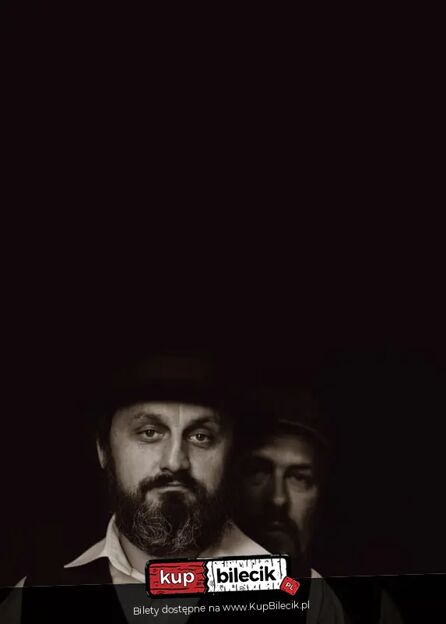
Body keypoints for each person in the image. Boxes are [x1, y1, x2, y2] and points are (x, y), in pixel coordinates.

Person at [1, 355, 269, 624]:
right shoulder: (28, 603)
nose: (175, 462)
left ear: (231, 455)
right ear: (103, 449)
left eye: (201, 436)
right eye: (149, 432)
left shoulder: (291, 595)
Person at [233, 386, 405, 624]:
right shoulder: (189, 587)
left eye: (299, 478)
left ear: (321, 496)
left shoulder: (366, 609)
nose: (277, 499)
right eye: (258, 471)